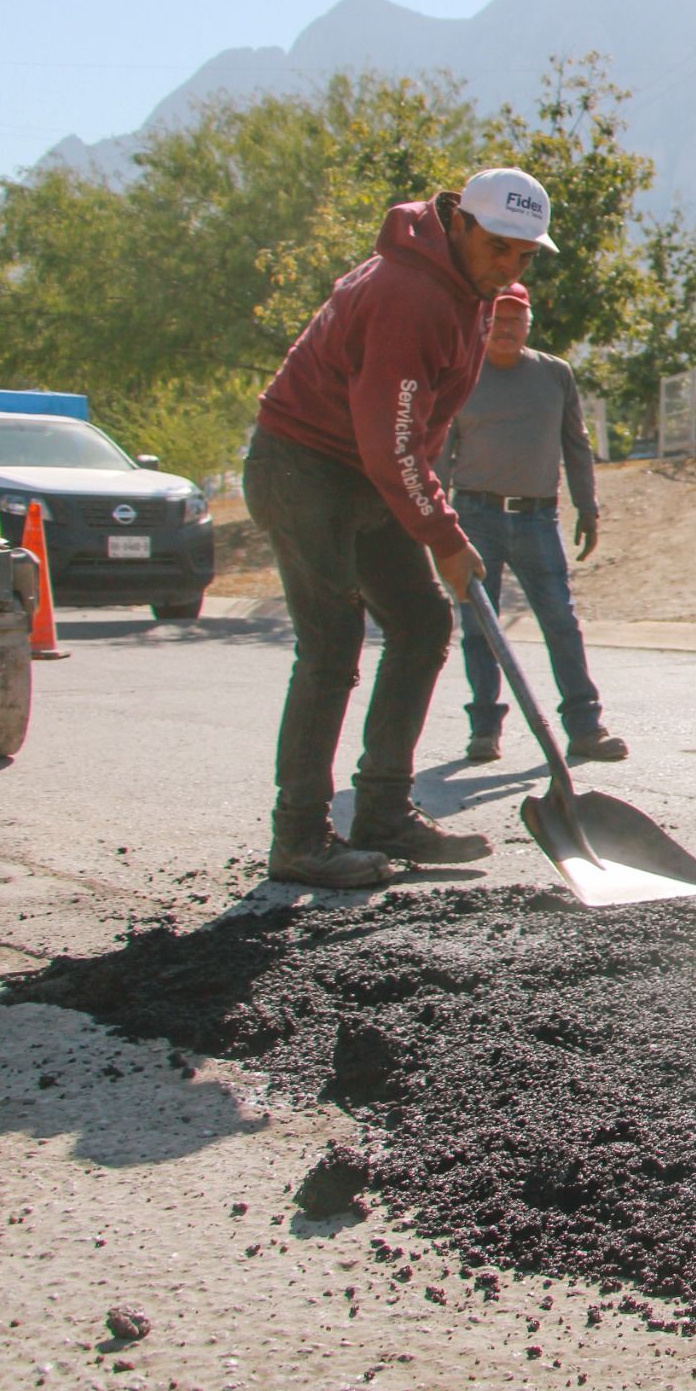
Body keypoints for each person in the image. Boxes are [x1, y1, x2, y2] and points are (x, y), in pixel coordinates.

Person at [243, 168, 558, 888]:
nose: (509, 268)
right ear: (460, 224)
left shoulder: (467, 290)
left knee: (420, 624)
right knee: (332, 644)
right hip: (303, 466)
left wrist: (431, 520)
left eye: (524, 256)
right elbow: (391, 440)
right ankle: (299, 837)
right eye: (498, 247)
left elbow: (407, 435)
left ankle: (382, 811)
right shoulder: (407, 294)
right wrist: (444, 534)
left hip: (364, 471)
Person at [443, 289, 625, 765]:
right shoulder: (460, 373)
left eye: (515, 318)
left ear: (529, 323)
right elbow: (440, 450)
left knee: (561, 622)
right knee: (479, 627)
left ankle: (585, 727)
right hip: (474, 517)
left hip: (537, 517)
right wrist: (436, 527)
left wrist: (588, 507)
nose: (505, 327)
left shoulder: (554, 374)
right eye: (496, 317)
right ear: (482, 322)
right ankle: (484, 730)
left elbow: (576, 443)